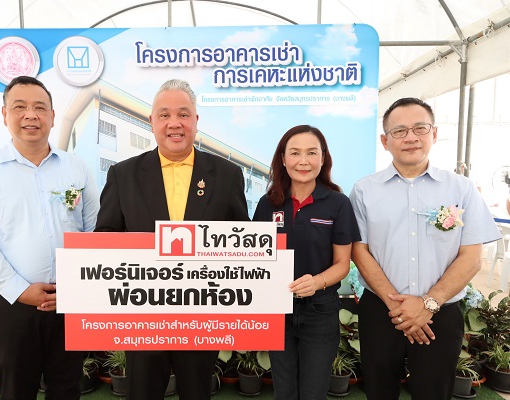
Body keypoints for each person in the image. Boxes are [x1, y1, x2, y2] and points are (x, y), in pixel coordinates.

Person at [94, 78, 249, 400]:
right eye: (164, 115)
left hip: (202, 316)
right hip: (142, 316)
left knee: (197, 393)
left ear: (196, 120)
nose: (174, 123)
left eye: (183, 114)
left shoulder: (227, 175)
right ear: (151, 121)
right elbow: (105, 237)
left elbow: (241, 242)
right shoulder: (123, 175)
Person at [0, 76, 100, 400]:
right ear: (4, 115)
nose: (30, 115)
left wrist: (75, 286)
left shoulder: (76, 168)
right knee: (16, 391)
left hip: (69, 301)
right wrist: (21, 290)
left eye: (39, 107)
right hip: (12, 305)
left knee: (67, 389)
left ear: (52, 115)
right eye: (19, 107)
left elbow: (94, 229)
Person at [349, 97, 500, 400]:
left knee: (434, 392)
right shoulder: (364, 190)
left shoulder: (461, 188)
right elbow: (359, 251)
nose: (411, 137)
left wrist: (428, 304)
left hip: (440, 314)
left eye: (420, 128)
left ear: (434, 133)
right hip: (381, 310)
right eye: (399, 131)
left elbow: (472, 258)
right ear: (385, 141)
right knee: (379, 391)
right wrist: (399, 308)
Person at [252, 125, 360, 399]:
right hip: (277, 309)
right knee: (284, 391)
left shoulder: (337, 203)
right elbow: (255, 258)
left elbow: (342, 264)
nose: (303, 161)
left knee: (313, 392)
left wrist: (317, 282)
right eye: (295, 153)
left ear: (323, 158)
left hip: (319, 309)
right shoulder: (267, 204)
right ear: (283, 158)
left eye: (312, 153)